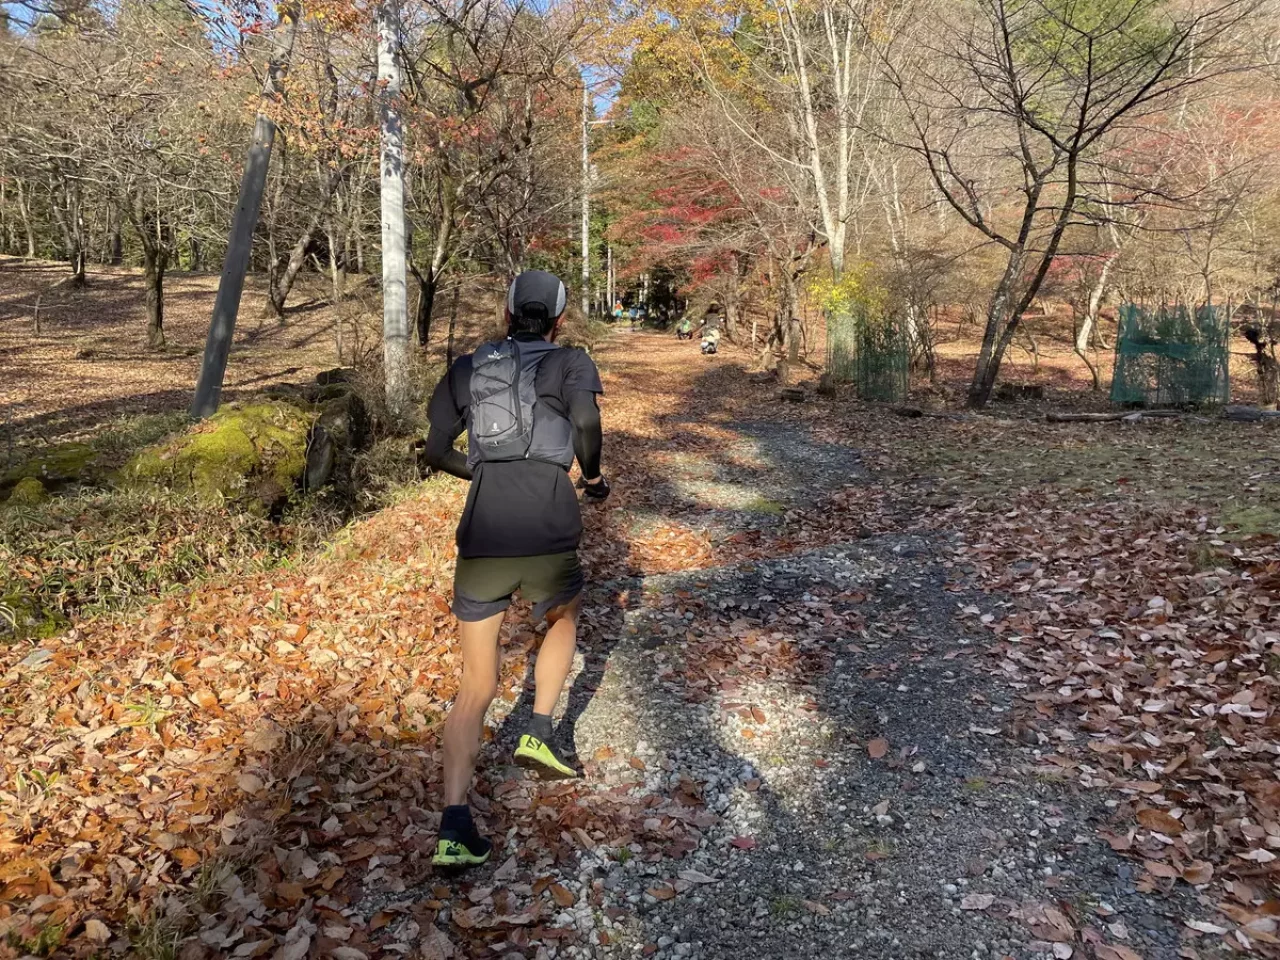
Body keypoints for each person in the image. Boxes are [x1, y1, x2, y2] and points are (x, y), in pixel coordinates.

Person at [422, 269, 610, 868]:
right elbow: (585, 424)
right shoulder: (571, 362)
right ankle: (540, 729)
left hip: (483, 533)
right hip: (549, 523)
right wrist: (595, 478)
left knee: (474, 685)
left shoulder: (469, 366)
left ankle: (454, 825)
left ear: (507, 315)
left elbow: (432, 448)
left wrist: (477, 473)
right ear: (559, 320)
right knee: (560, 618)